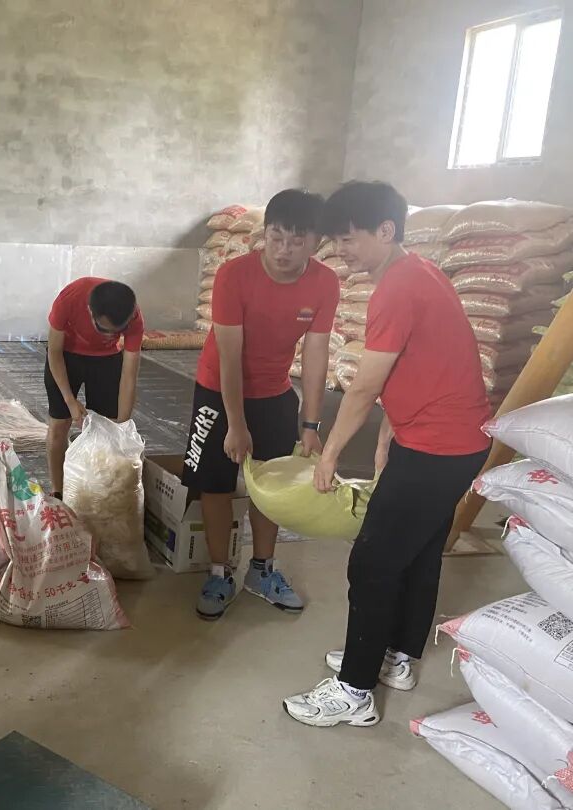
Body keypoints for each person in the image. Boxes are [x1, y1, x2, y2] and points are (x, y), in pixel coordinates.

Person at [283, 181, 491, 728]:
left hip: (437, 449)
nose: (341, 250)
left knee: (373, 561)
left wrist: (328, 454)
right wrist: (386, 436)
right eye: (336, 240)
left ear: (385, 230)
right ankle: (397, 655)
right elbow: (422, 365)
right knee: (418, 553)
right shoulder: (418, 272)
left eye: (348, 239)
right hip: (451, 443)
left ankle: (354, 690)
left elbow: (363, 387)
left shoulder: (397, 289)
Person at [183, 189, 339, 620]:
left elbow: (316, 354)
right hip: (217, 390)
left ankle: (262, 570)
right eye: (276, 238)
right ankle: (219, 573)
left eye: (297, 241)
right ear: (264, 234)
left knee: (270, 486)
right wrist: (236, 424)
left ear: (316, 243)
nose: (283, 250)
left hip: (274, 393)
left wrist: (311, 423)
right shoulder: (234, 276)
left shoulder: (325, 283)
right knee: (215, 484)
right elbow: (229, 356)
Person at [44, 278, 143, 498]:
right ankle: (58, 491)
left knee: (108, 428)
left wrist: (122, 428)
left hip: (106, 360)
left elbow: (129, 375)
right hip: (66, 356)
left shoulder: (133, 315)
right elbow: (54, 352)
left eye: (115, 332)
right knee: (59, 425)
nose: (108, 335)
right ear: (90, 311)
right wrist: (70, 400)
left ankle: (98, 495)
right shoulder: (69, 299)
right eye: (102, 329)